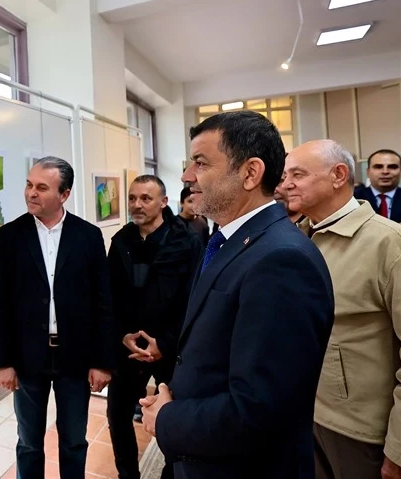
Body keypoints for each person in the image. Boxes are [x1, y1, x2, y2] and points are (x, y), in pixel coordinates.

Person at [139, 110, 335, 478]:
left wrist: (168, 417)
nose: (186, 176)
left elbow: (260, 410)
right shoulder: (231, 242)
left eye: (200, 163)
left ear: (250, 173)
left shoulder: (281, 260)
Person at [0, 156, 115, 479]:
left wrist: (102, 361)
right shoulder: (9, 237)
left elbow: (103, 302)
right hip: (27, 358)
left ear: (64, 194)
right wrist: (2, 362)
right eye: (29, 184)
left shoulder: (88, 236)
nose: (31, 193)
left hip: (75, 357)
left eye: (42, 187)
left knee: (74, 441)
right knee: (29, 442)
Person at [281, 139, 401, 479]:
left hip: (361, 432)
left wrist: (398, 448)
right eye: (285, 175)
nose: (286, 184)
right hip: (305, 414)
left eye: (298, 175)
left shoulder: (389, 243)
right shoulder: (295, 240)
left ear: (338, 175)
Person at [106, 175, 202, 479]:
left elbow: (193, 299)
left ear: (163, 202)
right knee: (117, 415)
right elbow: (109, 296)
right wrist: (122, 335)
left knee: (173, 416)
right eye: (132, 198)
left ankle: (171, 474)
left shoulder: (187, 242)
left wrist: (165, 343)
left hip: (170, 349)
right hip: (128, 347)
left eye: (145, 198)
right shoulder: (121, 241)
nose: (137, 204)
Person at [354, 149, 401, 222]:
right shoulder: (353, 199)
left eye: (392, 167)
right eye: (378, 167)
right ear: (368, 172)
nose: (385, 171)